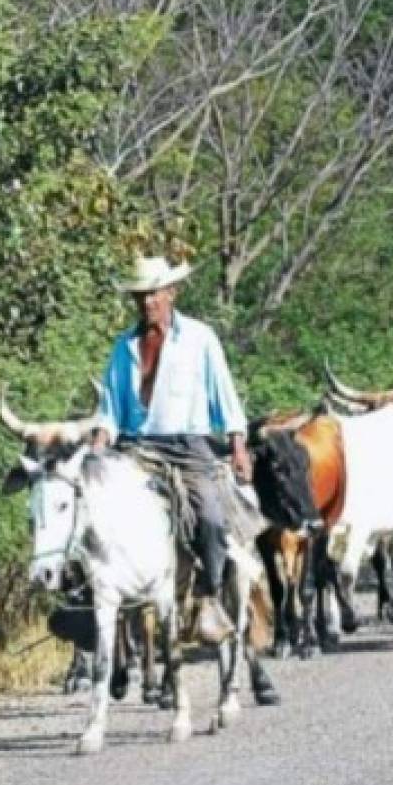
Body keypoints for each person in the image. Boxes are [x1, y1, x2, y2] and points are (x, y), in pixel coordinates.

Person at [91, 255, 251, 644]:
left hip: (187, 445)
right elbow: (109, 410)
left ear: (171, 293)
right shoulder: (123, 347)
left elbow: (224, 397)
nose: (148, 303)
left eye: (154, 294)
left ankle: (209, 597)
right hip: (135, 447)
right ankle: (89, 602)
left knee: (211, 518)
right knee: (89, 512)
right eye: (141, 296)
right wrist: (97, 447)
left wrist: (238, 445)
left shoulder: (200, 338)